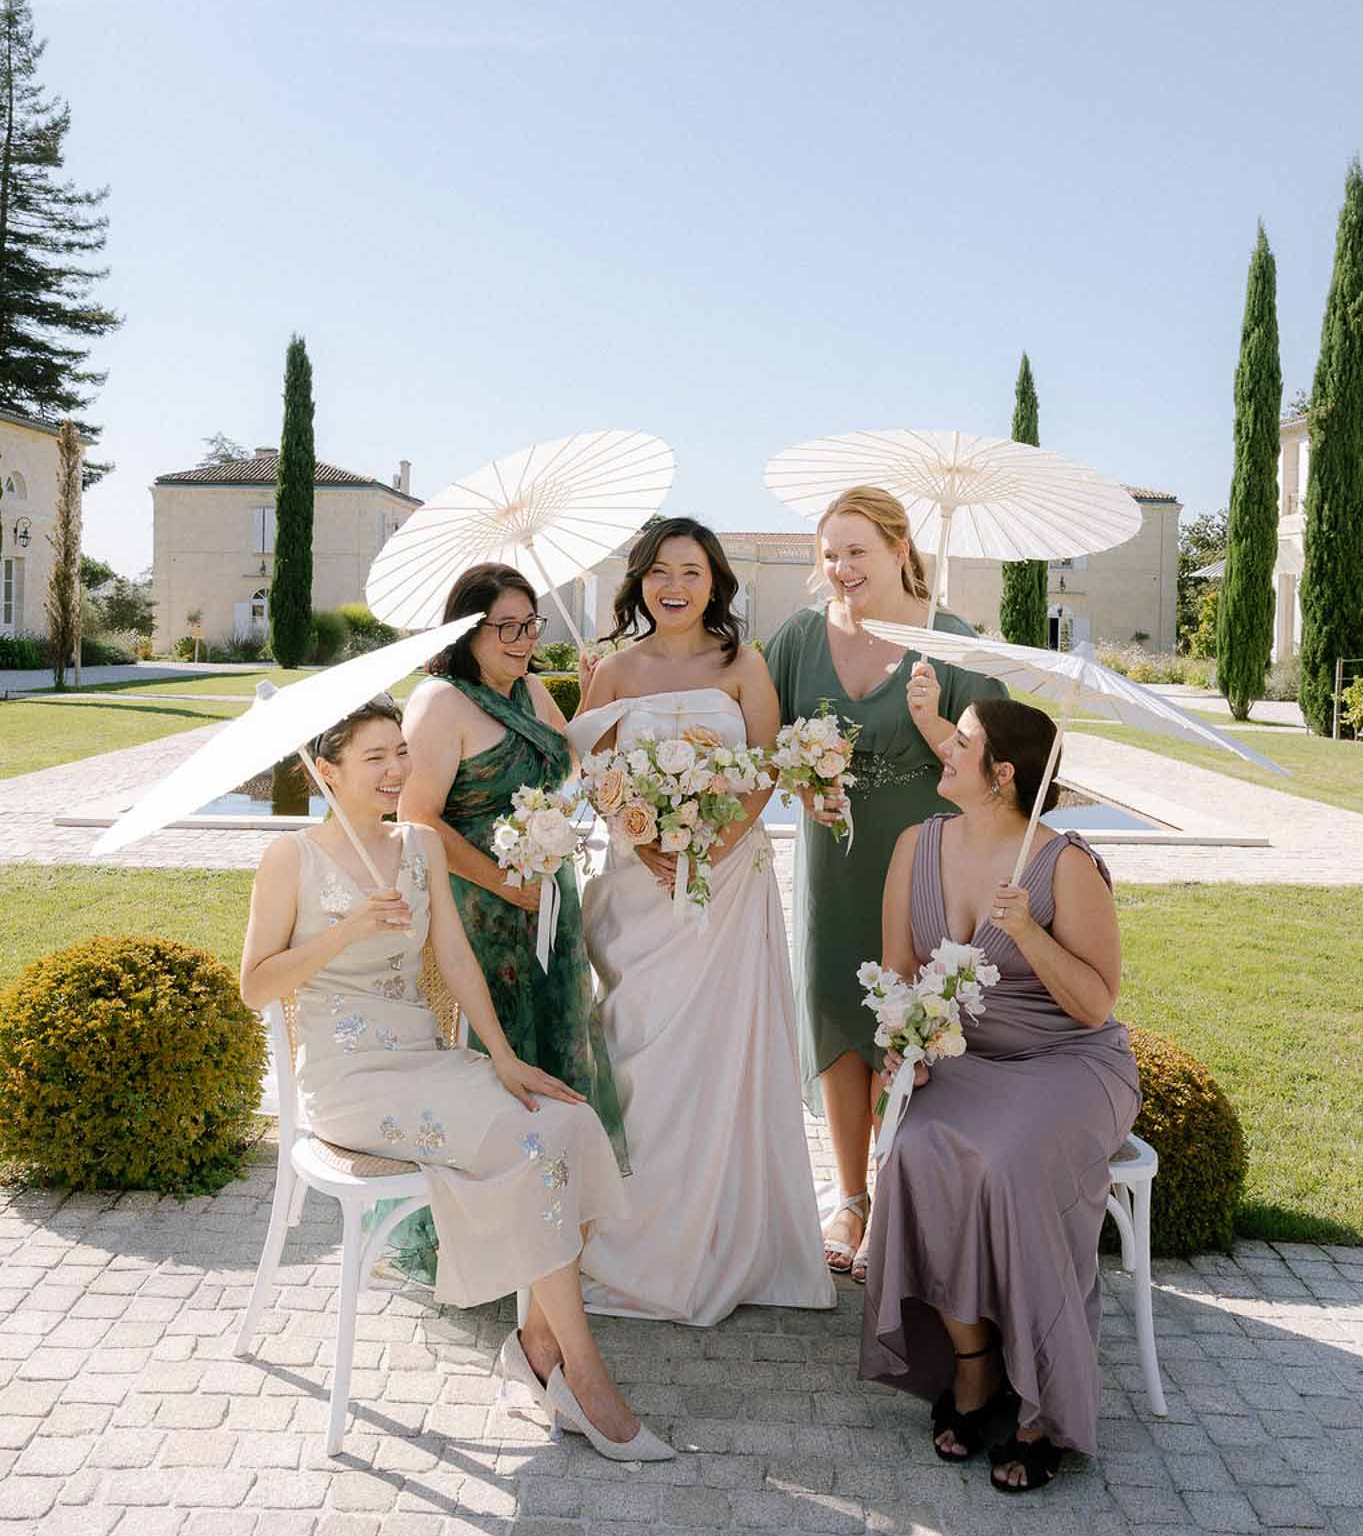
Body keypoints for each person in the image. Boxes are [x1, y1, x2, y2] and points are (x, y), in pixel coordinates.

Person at [239, 696, 671, 1462]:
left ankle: (537, 1344)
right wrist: (348, 928)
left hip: (428, 1057)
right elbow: (256, 986)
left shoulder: (417, 847)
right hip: (350, 1080)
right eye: (374, 758)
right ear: (327, 771)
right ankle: (583, 1375)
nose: (396, 769)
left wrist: (502, 1057)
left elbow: (455, 959)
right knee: (531, 1144)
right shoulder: (291, 858)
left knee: (565, 1120)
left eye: (400, 752)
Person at [860, 698, 1141, 1492]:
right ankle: (974, 1365)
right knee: (915, 1153)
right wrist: (901, 1048)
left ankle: (1045, 1398)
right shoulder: (916, 844)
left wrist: (1026, 934)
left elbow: (1095, 1004)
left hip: (1066, 1064)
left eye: (963, 740)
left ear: (1003, 773)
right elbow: (898, 975)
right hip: (961, 1062)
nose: (945, 745)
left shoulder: (1064, 863)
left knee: (1010, 1164)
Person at [570, 516, 834, 1325]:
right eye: (657, 570)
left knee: (718, 1056)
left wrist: (708, 842)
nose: (672, 585)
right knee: (634, 1052)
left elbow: (762, 768)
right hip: (637, 884)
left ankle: (726, 1237)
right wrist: (642, 837)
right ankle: (630, 1235)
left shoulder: (742, 662)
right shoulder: (612, 668)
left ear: (714, 581)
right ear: (639, 582)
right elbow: (587, 774)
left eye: (689, 570)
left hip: (726, 883)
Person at [763, 485, 1005, 1281]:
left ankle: (901, 1196)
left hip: (924, 865)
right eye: (828, 554)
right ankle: (850, 1196)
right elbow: (761, 742)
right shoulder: (798, 638)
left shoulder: (953, 642)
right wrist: (797, 784)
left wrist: (938, 725)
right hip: (832, 863)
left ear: (900, 549)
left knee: (906, 1018)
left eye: (856, 551)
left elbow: (993, 774)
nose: (840, 568)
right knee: (836, 1006)